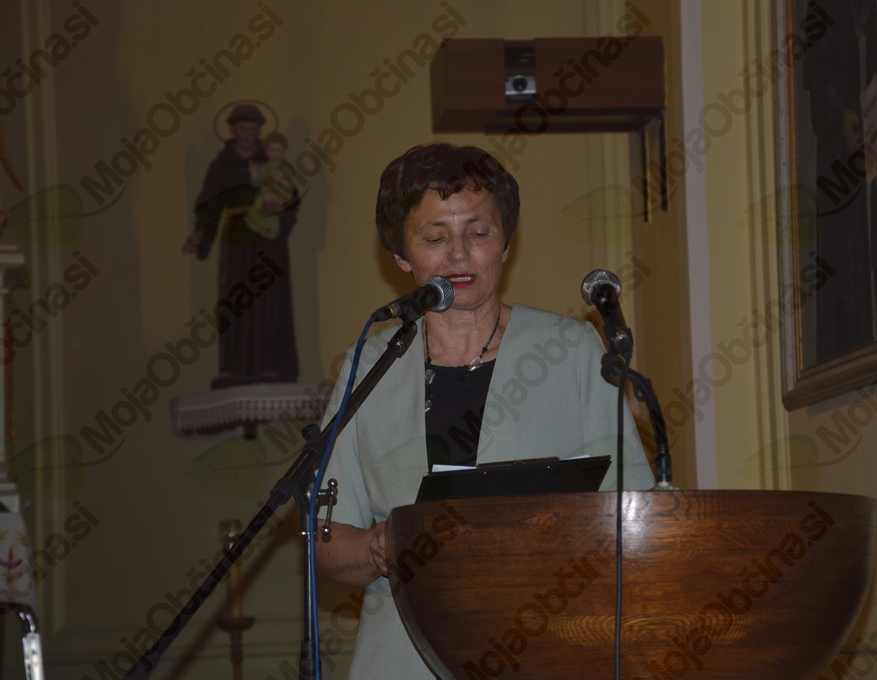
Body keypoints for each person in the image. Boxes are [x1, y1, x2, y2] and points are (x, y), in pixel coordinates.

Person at [314, 143, 654, 679]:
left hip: (547, 648)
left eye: (478, 233)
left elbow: (635, 513)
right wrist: (381, 545)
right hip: (402, 658)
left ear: (505, 244)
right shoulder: (369, 367)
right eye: (434, 238)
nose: (458, 255)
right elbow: (326, 540)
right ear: (401, 255)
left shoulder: (570, 349)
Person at [182, 104, 300, 389]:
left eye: (252, 129)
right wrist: (199, 234)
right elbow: (209, 204)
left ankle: (272, 364)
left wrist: (281, 207)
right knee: (236, 299)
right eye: (242, 128)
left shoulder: (271, 158)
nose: (247, 134)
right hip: (236, 239)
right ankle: (235, 366)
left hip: (268, 239)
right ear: (232, 131)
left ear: (259, 131)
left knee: (270, 298)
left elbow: (291, 193)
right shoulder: (221, 165)